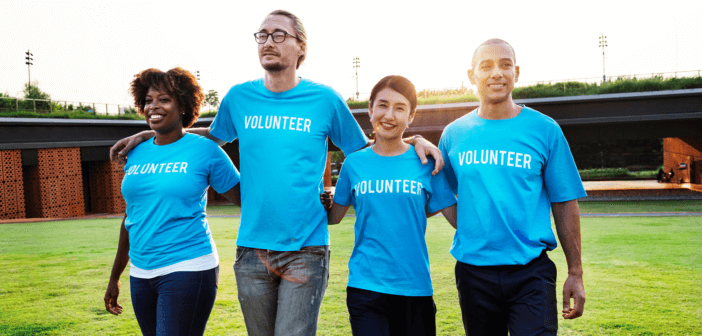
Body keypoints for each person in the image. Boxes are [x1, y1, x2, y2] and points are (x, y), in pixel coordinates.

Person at [108, 10, 444, 336]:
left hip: (306, 250)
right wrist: (151, 138)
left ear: (301, 47)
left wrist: (410, 138)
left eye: (279, 35)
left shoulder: (325, 99)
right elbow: (205, 142)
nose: (268, 41)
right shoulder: (239, 97)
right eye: (262, 35)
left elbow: (368, 149)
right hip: (252, 250)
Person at [438, 39, 587, 335]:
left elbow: (564, 201)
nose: (497, 73)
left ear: (516, 73)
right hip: (473, 274)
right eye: (486, 66)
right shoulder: (454, 134)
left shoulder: (545, 130)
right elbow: (444, 194)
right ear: (472, 76)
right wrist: (470, 226)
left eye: (505, 64)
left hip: (531, 272)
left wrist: (575, 272)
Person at [104, 68, 241, 336]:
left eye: (164, 99)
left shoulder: (207, 151)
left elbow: (246, 199)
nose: (153, 106)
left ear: (183, 106)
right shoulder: (136, 152)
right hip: (141, 272)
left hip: (188, 266)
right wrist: (114, 276)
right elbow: (132, 216)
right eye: (148, 100)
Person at [324, 75, 457, 336]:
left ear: (411, 116)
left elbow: (458, 220)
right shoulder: (353, 164)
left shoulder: (427, 164)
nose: (389, 115)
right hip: (365, 287)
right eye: (383, 105)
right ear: (371, 109)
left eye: (400, 108)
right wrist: (319, 196)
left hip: (415, 287)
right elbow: (333, 217)